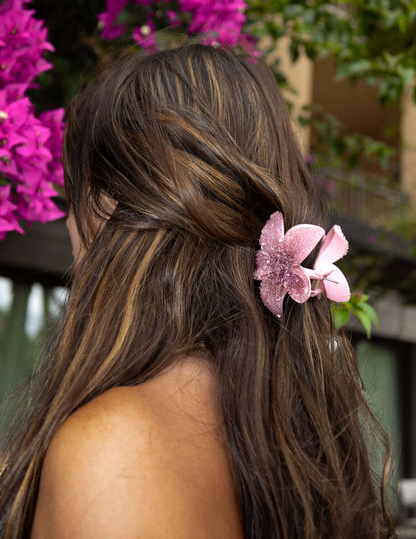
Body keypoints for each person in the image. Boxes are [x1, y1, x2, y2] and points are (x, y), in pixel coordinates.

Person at [0, 44, 396, 538]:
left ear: (112, 206)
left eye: (73, 193)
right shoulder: (296, 434)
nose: (67, 224)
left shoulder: (115, 451)